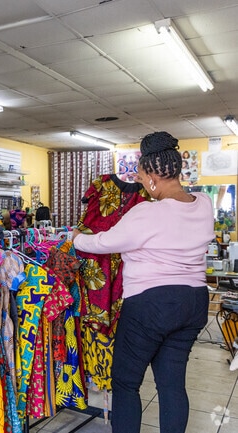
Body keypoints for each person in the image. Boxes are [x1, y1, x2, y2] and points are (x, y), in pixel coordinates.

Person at [72, 131, 214, 433]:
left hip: (151, 304)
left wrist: (76, 238)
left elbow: (104, 243)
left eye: (140, 174)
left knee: (125, 382)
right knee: (172, 383)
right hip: (194, 302)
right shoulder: (203, 204)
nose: (138, 180)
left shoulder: (147, 213)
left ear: (152, 178)